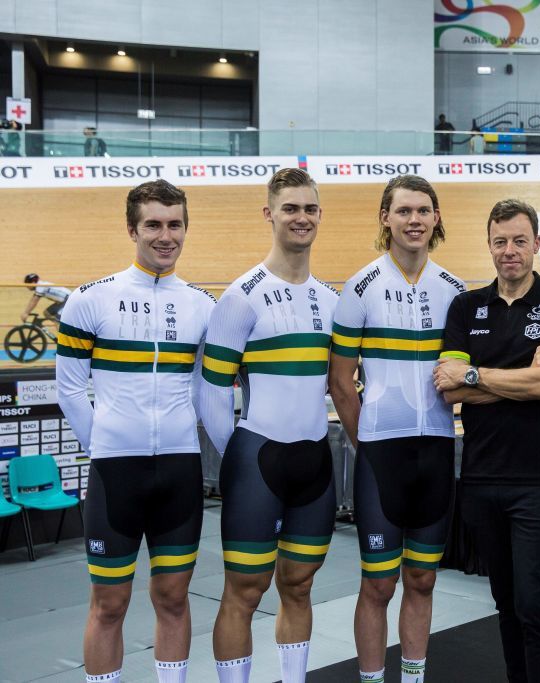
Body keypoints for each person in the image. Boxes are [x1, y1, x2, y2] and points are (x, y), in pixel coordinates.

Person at [56, 179, 215, 683]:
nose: (165, 235)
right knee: (109, 604)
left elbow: (203, 389)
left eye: (175, 224)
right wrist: (104, 444)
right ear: (132, 229)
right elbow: (69, 389)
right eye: (153, 224)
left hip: (179, 469)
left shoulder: (202, 305)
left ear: (186, 228)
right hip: (115, 473)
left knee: (172, 597)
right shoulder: (89, 300)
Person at [433, 199, 540, 683]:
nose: (510, 251)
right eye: (500, 242)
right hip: (480, 479)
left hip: (539, 480)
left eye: (520, 241)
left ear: (537, 244)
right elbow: (449, 389)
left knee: (535, 604)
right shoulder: (465, 306)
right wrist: (520, 374)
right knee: (504, 604)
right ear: (490, 246)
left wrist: (477, 374)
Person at [197, 168, 338, 683]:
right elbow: (210, 389)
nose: (301, 218)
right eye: (290, 208)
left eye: (309, 209)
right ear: (270, 214)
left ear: (319, 215)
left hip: (314, 461)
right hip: (257, 459)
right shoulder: (241, 296)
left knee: (299, 585)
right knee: (245, 589)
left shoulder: (332, 299)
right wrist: (236, 457)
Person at [328, 175, 465, 683]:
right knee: (378, 584)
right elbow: (341, 381)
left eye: (423, 211)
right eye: (404, 211)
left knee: (423, 579)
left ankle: (412, 677)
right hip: (381, 457)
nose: (414, 220)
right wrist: (371, 443)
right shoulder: (360, 286)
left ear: (435, 219)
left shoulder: (454, 290)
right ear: (386, 217)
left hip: (434, 454)